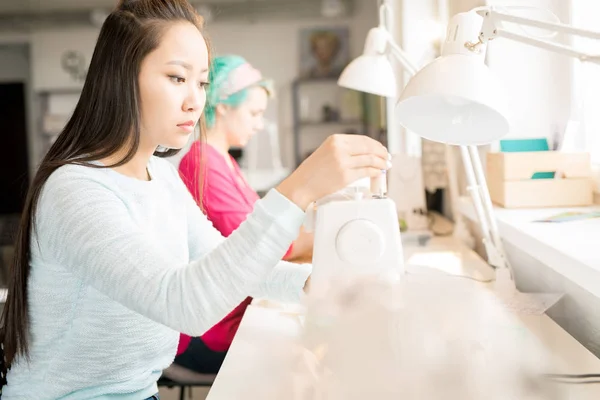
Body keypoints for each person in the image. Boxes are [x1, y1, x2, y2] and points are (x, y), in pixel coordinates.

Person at [0, 0, 389, 399]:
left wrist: (322, 284)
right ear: (121, 78)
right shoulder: (75, 191)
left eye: (201, 82)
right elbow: (185, 304)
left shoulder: (161, 176)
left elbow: (221, 259)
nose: (194, 100)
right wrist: (299, 190)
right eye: (176, 78)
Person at [175, 55, 314, 374]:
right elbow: (259, 245)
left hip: (233, 310)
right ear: (223, 107)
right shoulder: (201, 163)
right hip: (211, 330)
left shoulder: (223, 161)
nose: (259, 123)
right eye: (254, 113)